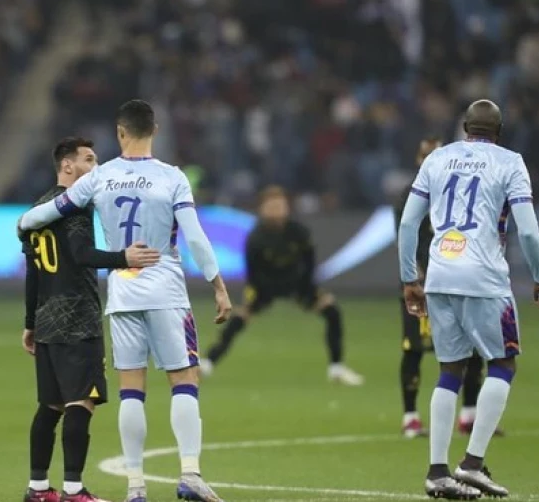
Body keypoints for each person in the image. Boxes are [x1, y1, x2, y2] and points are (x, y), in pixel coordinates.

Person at [20, 100, 233, 502]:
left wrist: (22, 223)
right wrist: (218, 285)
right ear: (153, 130)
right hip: (165, 288)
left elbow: (48, 211)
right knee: (183, 380)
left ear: (120, 133)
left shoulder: (100, 177)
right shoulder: (172, 177)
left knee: (131, 389)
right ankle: (189, 473)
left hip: (121, 292)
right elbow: (196, 237)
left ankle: (136, 487)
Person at [398, 99, 539, 499]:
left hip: (439, 274)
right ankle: (471, 464)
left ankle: (436, 472)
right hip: (484, 278)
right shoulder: (510, 162)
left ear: (464, 127)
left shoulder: (436, 159)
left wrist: (408, 280)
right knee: (502, 363)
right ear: (498, 132)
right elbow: (530, 232)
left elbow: (409, 222)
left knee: (450, 371)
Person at [22, 137, 162, 502]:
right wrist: (124, 257)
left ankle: (38, 489)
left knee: (50, 407)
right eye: (88, 159)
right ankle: (73, 491)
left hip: (48, 318)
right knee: (80, 402)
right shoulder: (75, 207)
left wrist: (30, 323)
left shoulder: (38, 208)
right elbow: (81, 253)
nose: (95, 166)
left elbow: (33, 272)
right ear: (67, 166)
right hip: (77, 318)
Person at [200, 186, 364, 386]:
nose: (276, 211)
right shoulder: (256, 238)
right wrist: (260, 295)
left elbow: (309, 263)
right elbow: (253, 273)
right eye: (272, 207)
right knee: (238, 318)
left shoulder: (299, 232)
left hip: (296, 283)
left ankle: (336, 368)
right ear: (263, 209)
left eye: (280, 206)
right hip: (264, 286)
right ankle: (208, 361)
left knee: (332, 310)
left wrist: (306, 289)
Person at [395, 138, 503, 438]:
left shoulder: (462, 192)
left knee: (472, 344)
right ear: (419, 161)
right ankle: (411, 416)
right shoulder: (411, 195)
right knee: (415, 348)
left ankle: (469, 414)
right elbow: (405, 237)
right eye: (426, 155)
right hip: (423, 284)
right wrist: (414, 279)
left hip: (459, 281)